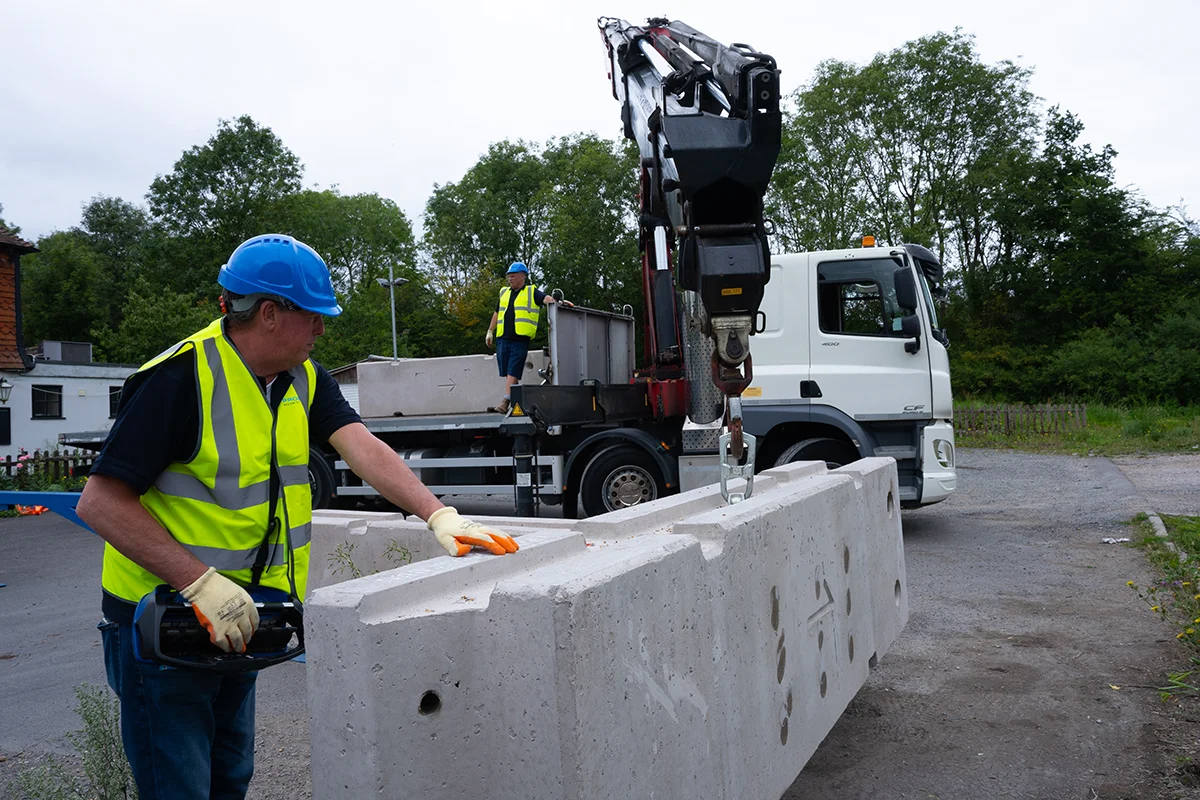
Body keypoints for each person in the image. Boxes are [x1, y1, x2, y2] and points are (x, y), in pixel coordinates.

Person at [76, 234, 518, 800]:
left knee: (229, 779)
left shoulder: (303, 378)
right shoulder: (179, 379)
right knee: (179, 788)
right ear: (268, 313)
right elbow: (102, 502)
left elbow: (363, 447)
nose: (322, 330)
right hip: (164, 623)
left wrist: (439, 516)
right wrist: (199, 582)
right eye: (314, 316)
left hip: (240, 617)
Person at [484, 262, 568, 414]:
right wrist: (490, 331)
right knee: (507, 372)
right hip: (503, 338)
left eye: (513, 276)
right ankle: (515, 400)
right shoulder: (504, 293)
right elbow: (497, 312)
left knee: (512, 371)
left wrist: (559, 303)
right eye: (509, 276)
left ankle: (505, 401)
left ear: (522, 277)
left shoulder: (531, 292)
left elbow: (545, 299)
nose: (510, 279)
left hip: (519, 339)